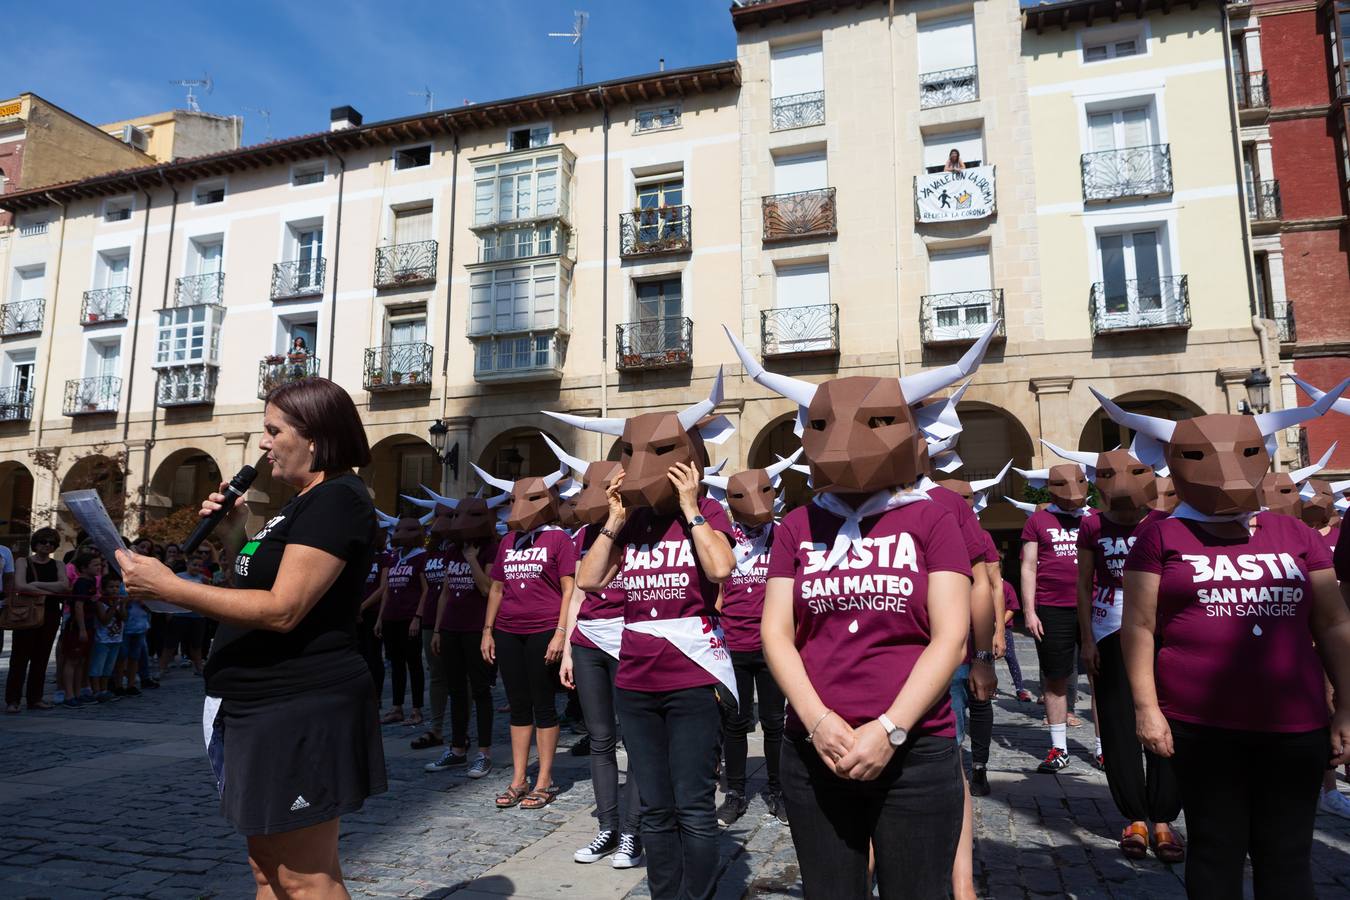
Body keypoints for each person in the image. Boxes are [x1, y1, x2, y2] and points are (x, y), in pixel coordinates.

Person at [726, 327, 990, 899]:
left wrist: (890, 730)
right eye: (821, 425)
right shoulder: (796, 525)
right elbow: (777, 632)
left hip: (917, 752)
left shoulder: (932, 519)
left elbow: (950, 635)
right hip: (815, 753)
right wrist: (819, 723)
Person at [117, 376, 385, 899]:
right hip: (256, 704)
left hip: (299, 703)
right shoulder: (299, 503)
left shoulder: (336, 499)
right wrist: (235, 532)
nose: (261, 443)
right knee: (266, 867)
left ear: (315, 436)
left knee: (306, 878)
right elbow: (252, 581)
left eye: (272, 430)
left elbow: (284, 609)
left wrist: (173, 586)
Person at [1095, 386, 1350, 899]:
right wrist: (1146, 708)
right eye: (1197, 455)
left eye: (1247, 452)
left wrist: (1345, 707)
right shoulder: (1161, 537)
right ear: (1172, 462)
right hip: (1202, 726)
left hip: (1295, 724)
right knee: (1216, 848)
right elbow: (1140, 626)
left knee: (1287, 856)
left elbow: (1333, 623)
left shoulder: (1293, 535)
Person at [551, 371, 738, 900]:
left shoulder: (709, 512)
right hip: (635, 679)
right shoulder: (629, 522)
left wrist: (692, 507)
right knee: (655, 807)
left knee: (694, 807)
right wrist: (612, 518)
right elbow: (588, 581)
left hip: (692, 675)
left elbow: (722, 569)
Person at [1046, 441, 1183, 861]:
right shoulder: (1092, 526)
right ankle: (1135, 816)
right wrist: (1086, 639)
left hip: (1159, 626)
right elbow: (1083, 585)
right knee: (1119, 719)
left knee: (1166, 714)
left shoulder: (1165, 523)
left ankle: (1164, 817)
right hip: (1108, 624)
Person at [701, 452, 803, 828]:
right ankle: (736, 793)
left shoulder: (783, 534)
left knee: (776, 721)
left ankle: (777, 790)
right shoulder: (720, 537)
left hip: (774, 643)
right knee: (735, 722)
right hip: (733, 643)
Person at [475, 463, 576, 811]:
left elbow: (569, 589)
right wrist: (488, 631)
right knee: (518, 706)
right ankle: (519, 778)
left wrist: (561, 633)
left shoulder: (558, 538)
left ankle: (545, 779)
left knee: (544, 705)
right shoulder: (508, 540)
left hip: (544, 630)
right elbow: (497, 589)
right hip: (508, 631)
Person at [1016, 462, 1093, 773]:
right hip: (1052, 609)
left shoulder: (1094, 519)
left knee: (1100, 680)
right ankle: (1058, 748)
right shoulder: (1038, 520)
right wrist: (1029, 611)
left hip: (1093, 608)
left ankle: (1103, 749)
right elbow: (1028, 567)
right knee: (1055, 677)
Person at [428, 493, 501, 780]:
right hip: (451, 628)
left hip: (476, 629)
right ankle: (457, 749)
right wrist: (437, 629)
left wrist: (472, 559)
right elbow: (445, 591)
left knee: (481, 692)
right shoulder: (452, 550)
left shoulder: (491, 550)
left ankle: (484, 753)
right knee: (456, 690)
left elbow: (487, 589)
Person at [373, 515, 429, 726]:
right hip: (391, 618)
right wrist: (380, 618)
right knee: (395, 664)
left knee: (413, 664)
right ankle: (396, 708)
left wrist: (417, 617)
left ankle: (416, 710)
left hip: (409, 618)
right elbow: (387, 589)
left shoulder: (421, 558)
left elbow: (426, 590)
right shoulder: (394, 558)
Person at [6, 527, 68, 713]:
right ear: (36, 543)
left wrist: (37, 586)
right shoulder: (23, 561)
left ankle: (35, 698)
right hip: (27, 612)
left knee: (41, 658)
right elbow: (20, 585)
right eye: (43, 541)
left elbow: (65, 585)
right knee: (19, 658)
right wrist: (50, 592)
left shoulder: (58, 565)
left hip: (49, 614)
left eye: (51, 542)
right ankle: (13, 700)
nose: (47, 545)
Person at [62, 551, 98, 708]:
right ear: (83, 568)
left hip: (89, 625)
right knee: (72, 660)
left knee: (81, 661)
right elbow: (78, 606)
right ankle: (69, 695)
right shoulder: (82, 583)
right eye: (95, 565)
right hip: (77, 627)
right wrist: (82, 629)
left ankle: (78, 693)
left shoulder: (90, 582)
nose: (99, 567)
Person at [89, 569, 127, 702]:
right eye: (111, 587)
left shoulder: (118, 600)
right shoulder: (101, 602)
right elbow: (104, 620)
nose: (115, 590)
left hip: (116, 639)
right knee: (98, 666)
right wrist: (114, 606)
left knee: (108, 667)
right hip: (102, 639)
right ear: (104, 588)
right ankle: (96, 691)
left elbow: (123, 617)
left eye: (117, 587)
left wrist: (121, 606)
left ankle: (104, 690)